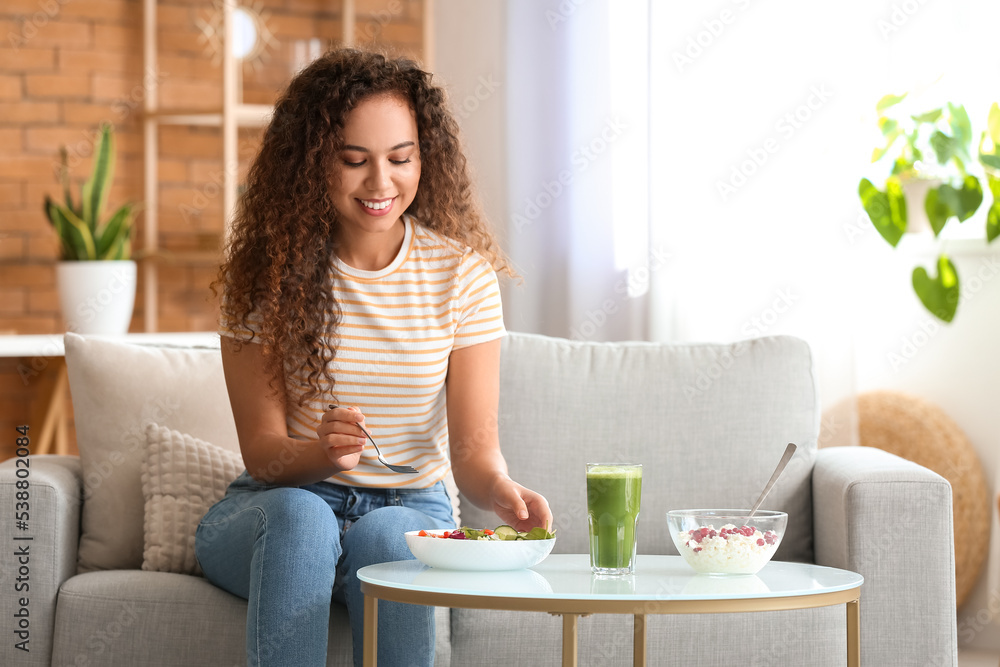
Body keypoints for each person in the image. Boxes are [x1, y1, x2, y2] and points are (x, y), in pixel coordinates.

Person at [195, 47, 552, 667]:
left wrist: (500, 492)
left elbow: (472, 456)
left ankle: (351, 565)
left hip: (410, 506)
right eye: (354, 160)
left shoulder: (461, 277)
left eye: (400, 158)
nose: (381, 183)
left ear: (425, 158)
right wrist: (321, 453)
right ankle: (329, 564)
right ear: (311, 163)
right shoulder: (265, 279)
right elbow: (264, 456)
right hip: (280, 510)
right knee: (303, 522)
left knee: (390, 536)